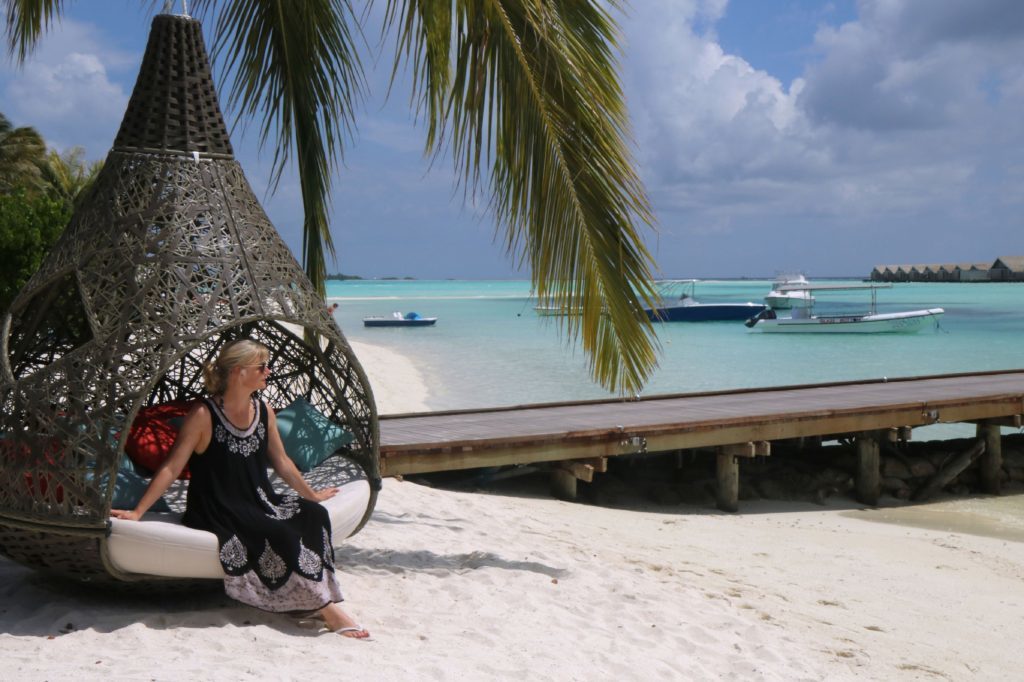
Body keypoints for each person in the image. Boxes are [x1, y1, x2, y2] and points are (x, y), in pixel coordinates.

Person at [111, 339, 369, 639]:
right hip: (216, 506)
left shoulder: (264, 410)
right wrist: (138, 511)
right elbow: (170, 467)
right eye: (261, 366)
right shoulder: (203, 415)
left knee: (312, 515)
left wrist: (311, 495)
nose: (267, 371)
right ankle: (328, 610)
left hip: (258, 499)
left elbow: (282, 462)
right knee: (279, 532)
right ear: (237, 371)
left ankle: (314, 595)